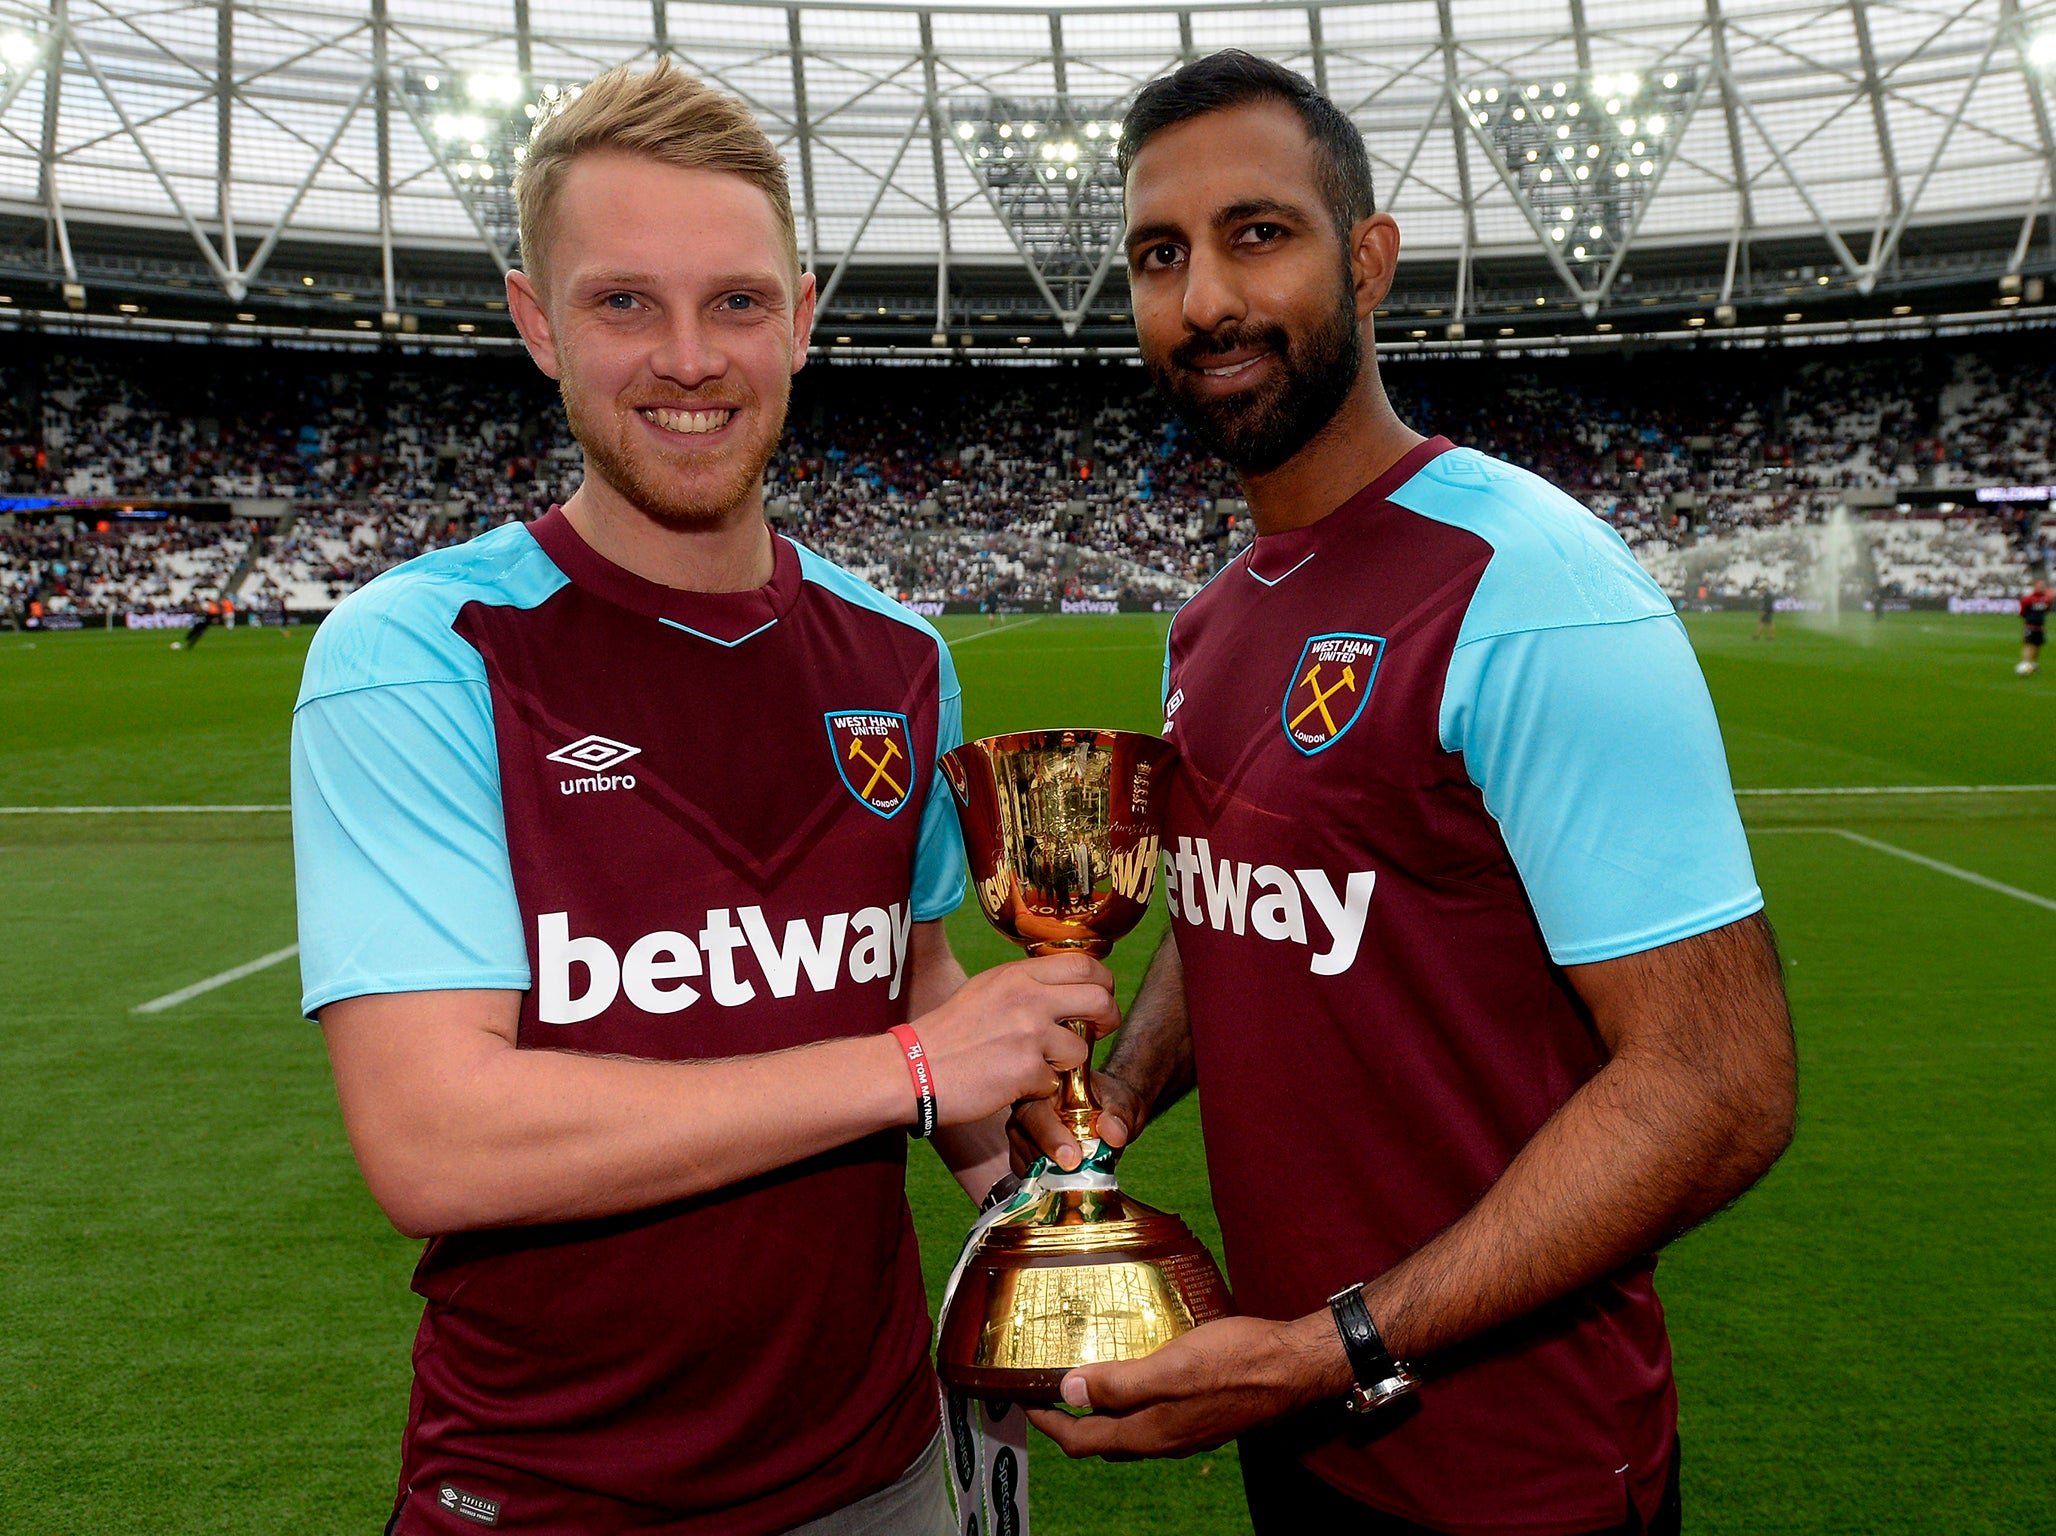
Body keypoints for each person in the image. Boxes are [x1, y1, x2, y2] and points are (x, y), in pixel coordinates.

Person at [290, 62, 1115, 1535]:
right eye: (623, 304)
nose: (688, 358)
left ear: (801, 315)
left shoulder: (902, 660)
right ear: (536, 321)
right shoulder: (420, 653)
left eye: (735, 302)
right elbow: (435, 1141)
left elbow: (904, 966)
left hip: (881, 1471)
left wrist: (1032, 1192)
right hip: (551, 1492)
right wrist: (921, 1071)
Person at [1010, 52, 1796, 1536]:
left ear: (1368, 259)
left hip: (1519, 1470)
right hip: (1304, 1436)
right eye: (1158, 257)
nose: (1206, 302)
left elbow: (1719, 1087)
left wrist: (1331, 1349)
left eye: (1259, 234)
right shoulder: (1216, 619)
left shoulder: (1528, 583)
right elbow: (1245, 908)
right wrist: (1112, 1099)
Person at [2019, 572, 2049, 675]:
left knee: (2038, 646)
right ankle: (2025, 665)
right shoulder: (2028, 599)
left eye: (2043, 585)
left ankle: (2033, 664)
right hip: (2030, 626)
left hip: (2040, 627)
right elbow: (2023, 612)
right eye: (2040, 585)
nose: (2042, 587)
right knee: (2029, 645)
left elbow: (2046, 611)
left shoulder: (2045, 599)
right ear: (2035, 586)